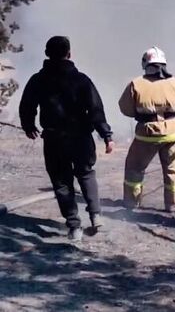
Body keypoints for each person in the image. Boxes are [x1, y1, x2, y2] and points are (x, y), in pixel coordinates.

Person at [19, 36, 114, 241]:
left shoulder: (38, 79)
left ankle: (74, 226)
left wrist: (29, 125)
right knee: (86, 174)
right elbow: (96, 110)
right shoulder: (82, 80)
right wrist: (106, 134)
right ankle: (96, 216)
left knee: (62, 182)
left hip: (54, 139)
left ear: (47, 54)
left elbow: (27, 105)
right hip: (81, 138)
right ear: (69, 54)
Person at [119, 47, 175, 213]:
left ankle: (132, 202)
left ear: (145, 64)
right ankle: (174, 205)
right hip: (172, 132)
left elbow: (125, 108)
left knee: (134, 167)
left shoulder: (136, 84)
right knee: (173, 169)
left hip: (146, 134)